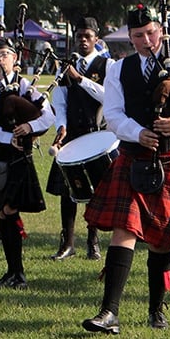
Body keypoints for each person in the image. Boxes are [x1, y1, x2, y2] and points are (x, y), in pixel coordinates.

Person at [80, 4, 170, 334]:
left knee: (162, 238)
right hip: (133, 155)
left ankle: (156, 309)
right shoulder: (118, 69)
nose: (147, 40)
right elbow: (112, 115)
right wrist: (137, 132)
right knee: (123, 229)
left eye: (152, 33)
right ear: (129, 36)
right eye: (139, 35)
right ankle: (108, 312)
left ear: (162, 30)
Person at [0, 37, 54, 289]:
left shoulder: (27, 86)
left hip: (20, 159)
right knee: (2, 212)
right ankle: (12, 272)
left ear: (15, 58)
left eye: (4, 54)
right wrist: (10, 137)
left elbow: (48, 116)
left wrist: (29, 127)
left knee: (9, 210)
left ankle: (18, 273)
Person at [46, 16, 113, 261]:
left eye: (87, 37)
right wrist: (61, 126)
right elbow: (60, 101)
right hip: (71, 135)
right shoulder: (65, 66)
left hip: (96, 136)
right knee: (68, 191)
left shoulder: (107, 65)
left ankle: (93, 241)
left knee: (94, 191)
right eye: (79, 37)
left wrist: (81, 79)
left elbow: (109, 98)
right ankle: (67, 243)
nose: (83, 41)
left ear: (96, 39)